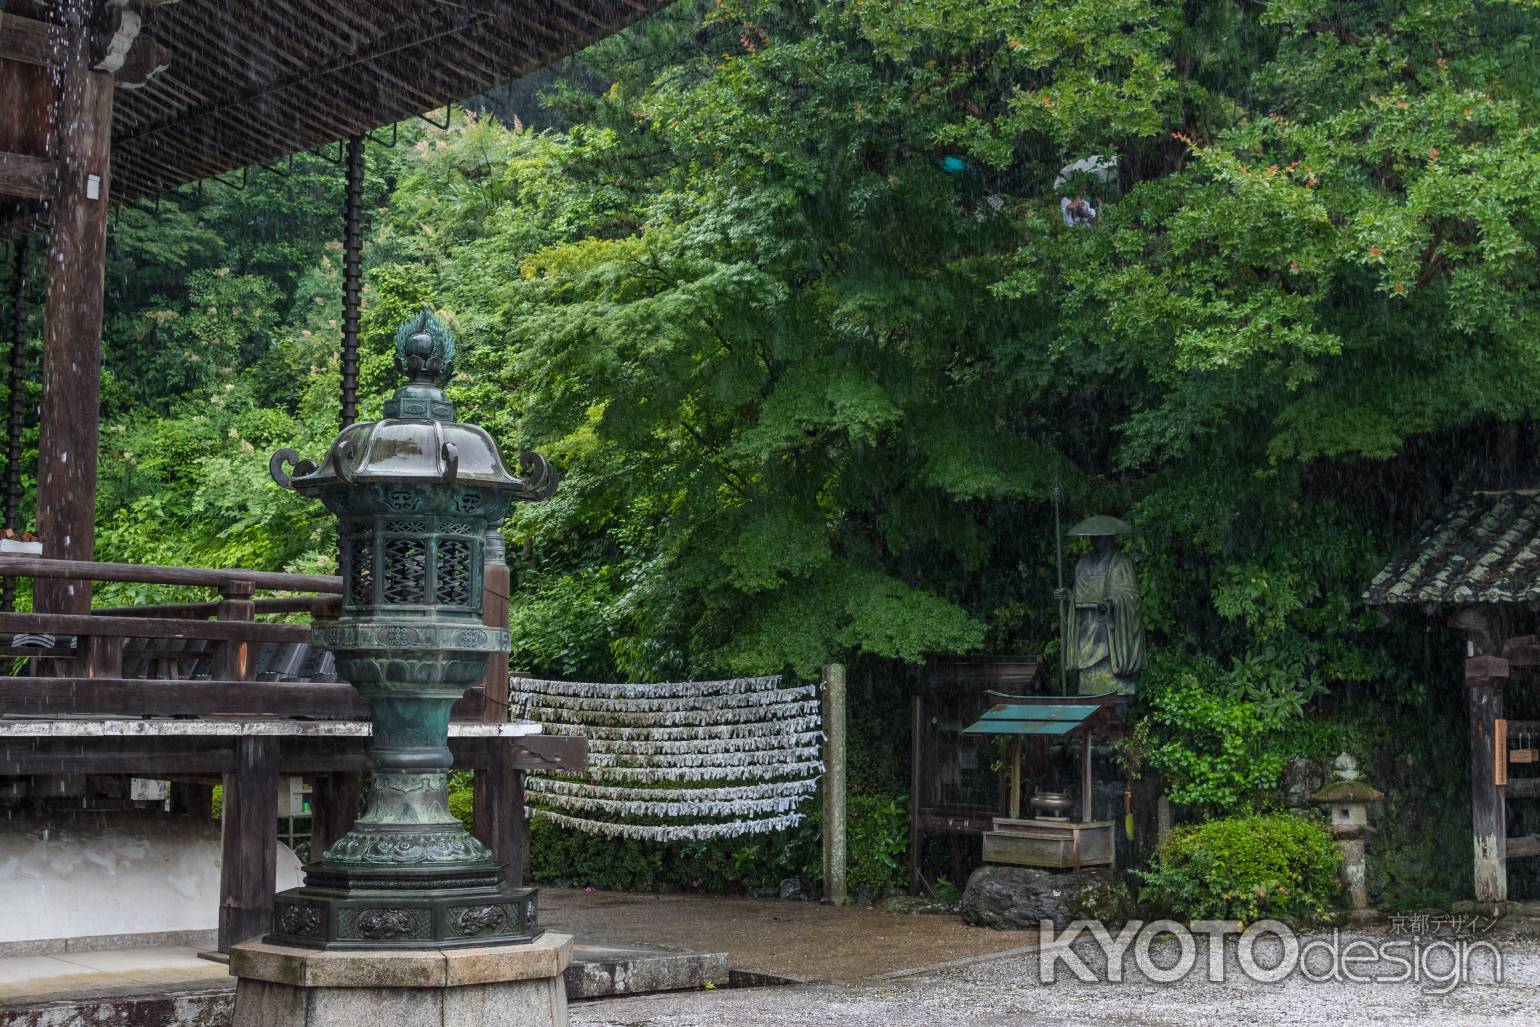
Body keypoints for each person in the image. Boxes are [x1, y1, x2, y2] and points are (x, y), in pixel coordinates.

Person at [1055, 515, 1146, 696]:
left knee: (1114, 693)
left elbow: (1131, 596)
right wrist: (1068, 597)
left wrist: (1113, 602)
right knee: (1089, 692)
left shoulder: (1121, 562)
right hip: (1087, 631)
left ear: (1111, 538)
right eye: (1093, 537)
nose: (1096, 541)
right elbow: (1078, 597)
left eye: (1101, 537)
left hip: (1111, 633)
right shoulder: (1082, 563)